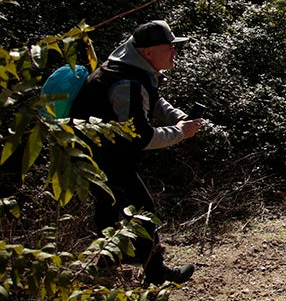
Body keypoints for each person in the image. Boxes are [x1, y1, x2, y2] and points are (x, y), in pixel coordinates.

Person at [71, 20, 202, 285]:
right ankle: (156, 275)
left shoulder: (130, 68)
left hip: (89, 153)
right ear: (149, 52)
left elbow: (151, 100)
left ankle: (108, 262)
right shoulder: (126, 82)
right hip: (102, 157)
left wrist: (178, 117)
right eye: (169, 48)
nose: (174, 52)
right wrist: (180, 132)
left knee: (107, 204)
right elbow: (139, 138)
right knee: (143, 209)